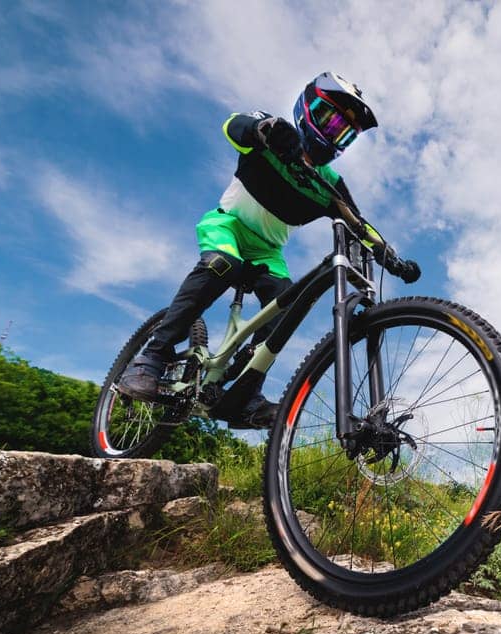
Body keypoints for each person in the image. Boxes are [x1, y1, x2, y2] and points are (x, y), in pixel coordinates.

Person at [117, 72, 381, 428]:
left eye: (343, 132)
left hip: (268, 251)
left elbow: (358, 223)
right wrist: (266, 130)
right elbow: (234, 126)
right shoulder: (273, 135)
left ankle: (245, 393)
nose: (333, 133)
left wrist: (388, 254)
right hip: (229, 226)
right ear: (307, 109)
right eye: (329, 120)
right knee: (221, 263)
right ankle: (152, 357)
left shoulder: (330, 184)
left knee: (287, 303)